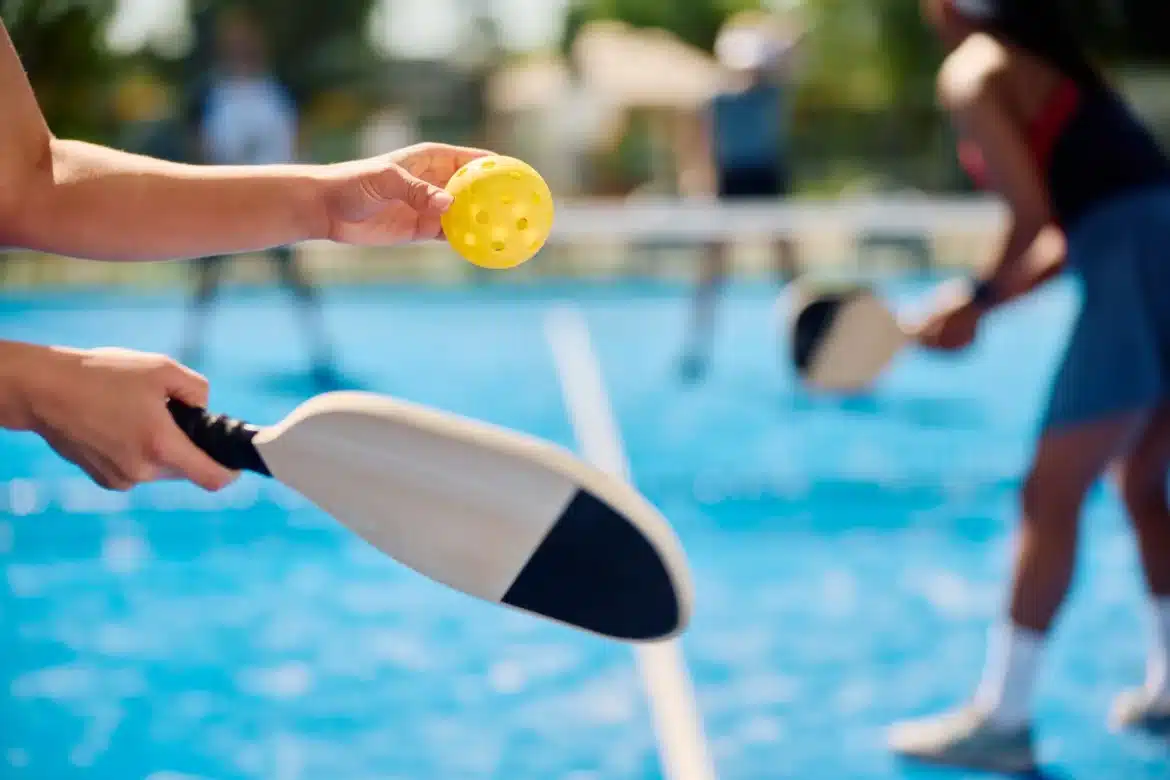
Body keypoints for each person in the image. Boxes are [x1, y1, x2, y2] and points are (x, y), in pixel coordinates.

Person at [0, 19, 490, 494]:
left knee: (283, 285)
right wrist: (36, 385)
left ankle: (300, 343)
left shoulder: (266, 92)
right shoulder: (221, 94)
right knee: (217, 285)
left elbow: (28, 180)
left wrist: (323, 204)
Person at [888, 0, 1170, 771]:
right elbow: (1069, 231)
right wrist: (979, 307)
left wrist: (974, 303)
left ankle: (1004, 720)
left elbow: (1035, 219)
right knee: (1147, 485)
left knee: (1050, 497)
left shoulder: (974, 69)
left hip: (1137, 264)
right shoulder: (1050, 62)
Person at [183, 9, 337, 383]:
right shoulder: (211, 93)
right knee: (209, 275)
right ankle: (191, 348)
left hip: (274, 198)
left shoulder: (278, 90)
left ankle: (320, 351)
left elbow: (299, 134)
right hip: (227, 197)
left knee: (294, 275)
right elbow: (200, 142)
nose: (241, 49)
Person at [678, 21, 798, 383]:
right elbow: (704, 146)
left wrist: (771, 43)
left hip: (766, 178)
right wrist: (702, 185)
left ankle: (806, 339)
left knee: (788, 267)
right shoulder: (716, 98)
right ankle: (697, 344)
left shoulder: (773, 92)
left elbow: (795, 54)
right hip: (731, 182)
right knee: (712, 267)